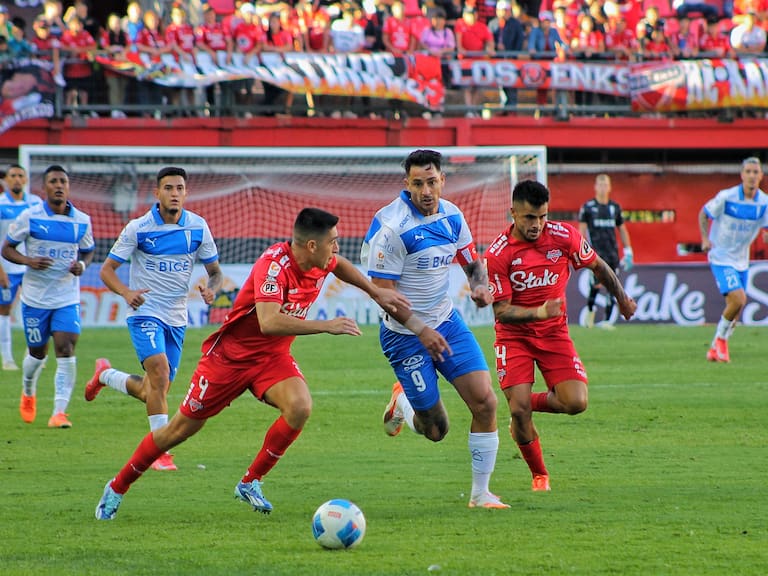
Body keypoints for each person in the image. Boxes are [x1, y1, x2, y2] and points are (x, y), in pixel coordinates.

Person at [95, 207, 410, 520]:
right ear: (312, 245)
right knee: (176, 431)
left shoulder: (321, 261)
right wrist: (325, 325)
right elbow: (269, 322)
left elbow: (339, 265)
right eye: (333, 241)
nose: (338, 248)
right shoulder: (273, 267)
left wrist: (375, 292)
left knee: (300, 407)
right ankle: (117, 487)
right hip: (228, 359)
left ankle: (251, 481)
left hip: (272, 358)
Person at [361, 149, 509, 510]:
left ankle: (480, 494)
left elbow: (472, 263)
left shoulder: (453, 215)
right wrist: (420, 329)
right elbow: (383, 294)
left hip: (446, 322)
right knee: (436, 431)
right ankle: (402, 403)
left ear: (443, 180)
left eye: (432, 182)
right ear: (406, 184)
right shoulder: (392, 228)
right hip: (404, 336)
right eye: (418, 184)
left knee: (486, 402)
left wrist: (478, 287)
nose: (426, 191)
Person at [484, 179, 637, 491]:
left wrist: (622, 298)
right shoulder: (498, 254)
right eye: (529, 218)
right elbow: (501, 312)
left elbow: (598, 266)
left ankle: (522, 407)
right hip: (515, 338)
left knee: (576, 402)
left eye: (542, 216)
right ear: (512, 213)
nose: (537, 225)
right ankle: (540, 475)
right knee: (519, 409)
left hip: (554, 334)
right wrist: (539, 312)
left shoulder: (564, 235)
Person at [84, 166, 222, 472]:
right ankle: (160, 450)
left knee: (153, 390)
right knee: (159, 371)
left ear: (186, 193)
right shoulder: (139, 228)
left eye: (180, 188)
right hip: (145, 311)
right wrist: (125, 292)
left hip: (176, 317)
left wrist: (210, 290)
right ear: (156, 193)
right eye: (169, 188)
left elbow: (215, 273)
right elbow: (107, 270)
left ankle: (105, 375)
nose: (175, 193)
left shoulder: (198, 227)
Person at [1, 164, 95, 428]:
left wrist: (83, 265)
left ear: (68, 186)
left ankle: (59, 412)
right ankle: (28, 390)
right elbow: (7, 249)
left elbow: (88, 250)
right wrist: (28, 260)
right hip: (35, 300)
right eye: (53, 181)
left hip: (66, 297)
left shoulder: (82, 220)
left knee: (66, 348)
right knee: (37, 354)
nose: (58, 185)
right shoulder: (30, 217)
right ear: (45, 188)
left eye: (62, 181)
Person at [699, 157, 768, 363]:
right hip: (721, 256)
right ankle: (720, 341)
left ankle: (715, 348)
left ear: (761, 176)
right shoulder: (727, 197)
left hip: (741, 259)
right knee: (739, 299)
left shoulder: (764, 202)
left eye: (756, 172)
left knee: (736, 309)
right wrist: (704, 238)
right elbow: (704, 213)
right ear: (742, 175)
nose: (752, 176)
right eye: (748, 172)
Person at [0, 164, 43, 371]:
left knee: (36, 307)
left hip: (31, 267)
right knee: (5, 310)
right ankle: (7, 358)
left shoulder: (36, 203)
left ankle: (33, 352)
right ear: (6, 180)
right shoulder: (0, 204)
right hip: (7, 267)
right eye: (13, 176)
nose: (17, 179)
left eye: (20, 175)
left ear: (25, 179)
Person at [577, 174, 634, 329]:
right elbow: (581, 231)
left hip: (612, 254)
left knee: (612, 286)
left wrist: (628, 251)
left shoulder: (614, 208)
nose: (602, 187)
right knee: (595, 286)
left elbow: (622, 229)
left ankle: (607, 321)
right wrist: (581, 250)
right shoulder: (588, 207)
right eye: (600, 184)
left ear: (609, 187)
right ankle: (590, 312)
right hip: (595, 254)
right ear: (595, 187)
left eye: (605, 184)